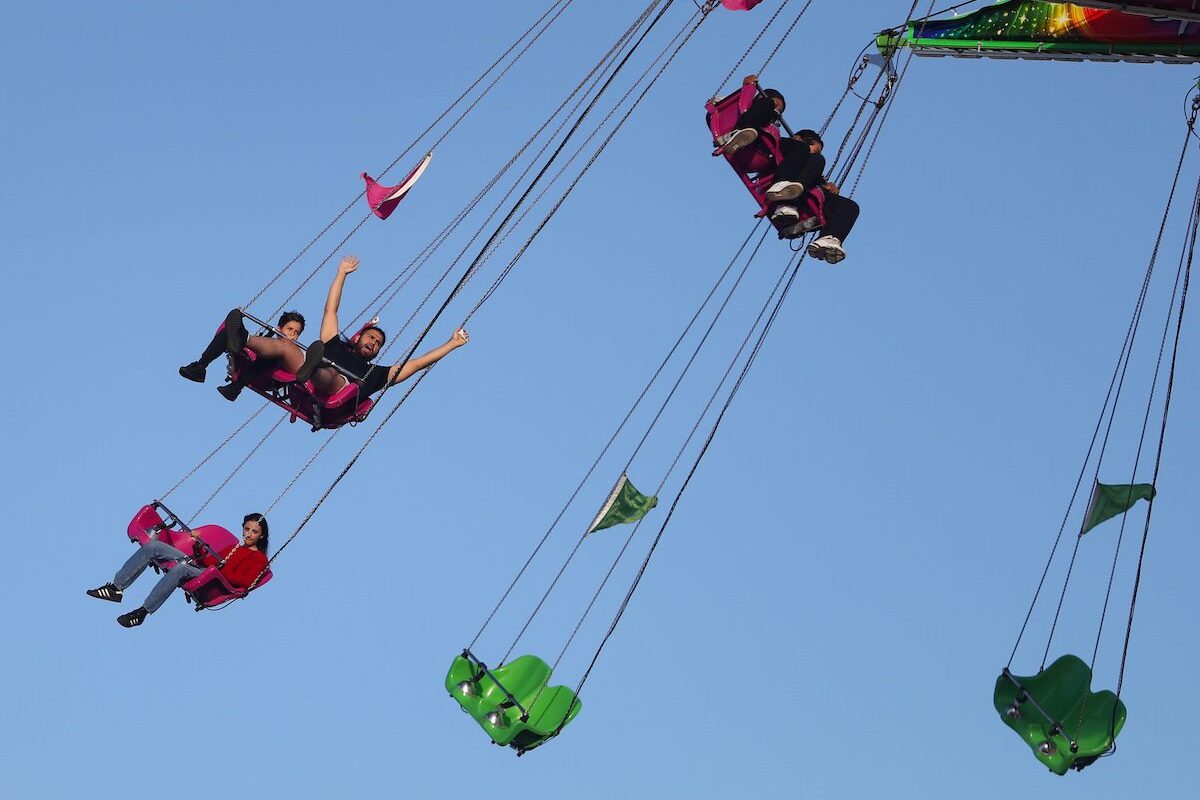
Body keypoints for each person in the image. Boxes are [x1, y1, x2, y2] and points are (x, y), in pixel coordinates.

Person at [306, 255, 469, 399]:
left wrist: (452, 344)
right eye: (371, 337)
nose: (374, 343)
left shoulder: (375, 374)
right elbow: (330, 310)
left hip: (337, 395)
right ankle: (303, 367)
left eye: (378, 343)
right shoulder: (334, 345)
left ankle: (312, 370)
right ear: (357, 338)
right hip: (307, 385)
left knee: (333, 375)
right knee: (285, 346)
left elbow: (417, 364)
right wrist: (341, 274)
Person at [86, 513, 270, 628]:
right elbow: (207, 559)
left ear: (261, 535)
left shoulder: (259, 559)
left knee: (181, 569)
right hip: (202, 568)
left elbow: (243, 582)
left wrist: (218, 569)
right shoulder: (234, 548)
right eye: (247, 529)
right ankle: (116, 588)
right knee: (154, 546)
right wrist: (199, 546)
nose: (248, 534)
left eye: (254, 531)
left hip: (213, 580)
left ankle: (142, 612)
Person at [179, 310, 323, 401]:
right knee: (229, 333)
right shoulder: (270, 341)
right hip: (255, 363)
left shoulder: (296, 351)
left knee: (272, 355)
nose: (292, 334)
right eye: (290, 329)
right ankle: (200, 366)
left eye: (297, 332)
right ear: (280, 328)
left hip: (276, 375)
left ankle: (236, 386)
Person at [764, 129, 861, 264]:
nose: (814, 154)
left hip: (808, 192)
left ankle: (829, 237)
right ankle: (788, 202)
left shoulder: (810, 163)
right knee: (818, 160)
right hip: (784, 183)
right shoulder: (789, 148)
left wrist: (824, 186)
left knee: (850, 207)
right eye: (813, 149)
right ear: (798, 138)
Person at [715, 74, 786, 155]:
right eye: (775, 105)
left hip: (756, 140)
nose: (774, 110)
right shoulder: (762, 103)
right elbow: (718, 103)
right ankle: (739, 132)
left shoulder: (768, 125)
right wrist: (749, 85)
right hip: (745, 124)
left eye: (777, 112)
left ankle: (736, 137)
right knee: (768, 103)